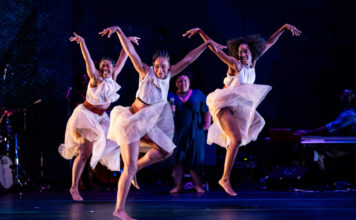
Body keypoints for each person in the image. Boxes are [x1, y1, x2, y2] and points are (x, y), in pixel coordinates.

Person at [99, 25, 222, 220]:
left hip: (148, 124)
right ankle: (119, 209)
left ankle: (137, 167)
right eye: (157, 66)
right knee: (129, 167)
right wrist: (120, 32)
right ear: (152, 65)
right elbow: (131, 52)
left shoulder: (171, 74)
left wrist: (205, 44)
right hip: (131, 121)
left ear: (168, 66)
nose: (160, 70)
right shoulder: (145, 72)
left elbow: (189, 58)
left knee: (168, 150)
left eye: (163, 66)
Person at [183, 24, 301, 196]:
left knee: (258, 122)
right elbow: (215, 50)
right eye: (240, 52)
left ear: (252, 51)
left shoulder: (253, 63)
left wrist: (283, 28)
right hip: (224, 106)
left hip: (240, 108)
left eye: (245, 52)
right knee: (236, 140)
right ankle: (224, 179)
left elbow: (269, 42)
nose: (242, 55)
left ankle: (228, 162)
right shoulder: (234, 64)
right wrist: (201, 32)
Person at [58, 33, 140, 201]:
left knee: (120, 139)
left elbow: (123, 57)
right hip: (86, 117)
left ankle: (130, 172)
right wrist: (83, 42)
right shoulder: (95, 78)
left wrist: (128, 41)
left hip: (102, 118)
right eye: (103, 66)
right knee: (83, 154)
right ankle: (74, 187)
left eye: (109, 66)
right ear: (99, 67)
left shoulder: (114, 77)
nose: (106, 69)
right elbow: (87, 60)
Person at [168, 73, 211, 194]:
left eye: (185, 81)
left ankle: (197, 185)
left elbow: (208, 109)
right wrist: (169, 111)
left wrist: (207, 124)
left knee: (195, 159)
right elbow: (162, 114)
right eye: (180, 81)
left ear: (189, 82)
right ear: (176, 84)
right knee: (177, 159)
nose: (183, 83)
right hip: (177, 132)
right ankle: (178, 185)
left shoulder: (197, 94)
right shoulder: (170, 96)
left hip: (195, 131)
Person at [295, 89, 356, 170]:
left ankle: (322, 178)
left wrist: (308, 132)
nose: (342, 97)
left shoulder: (350, 115)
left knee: (317, 154)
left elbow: (329, 128)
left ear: (353, 98)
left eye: (346, 96)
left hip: (348, 148)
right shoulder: (345, 112)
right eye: (342, 95)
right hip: (341, 146)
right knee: (314, 150)